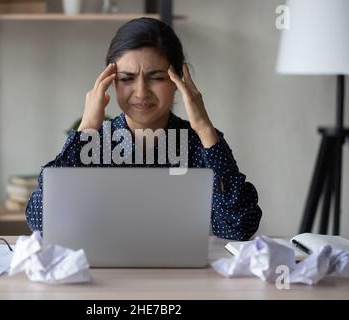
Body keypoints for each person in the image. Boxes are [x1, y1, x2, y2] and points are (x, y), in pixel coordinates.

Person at [25, 17, 262, 241]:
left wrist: (204, 128)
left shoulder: (200, 144)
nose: (141, 92)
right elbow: (41, 221)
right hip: (105, 279)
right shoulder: (93, 144)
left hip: (184, 279)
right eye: (127, 79)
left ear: (178, 81)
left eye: (156, 77)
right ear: (111, 82)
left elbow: (237, 227)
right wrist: (86, 129)